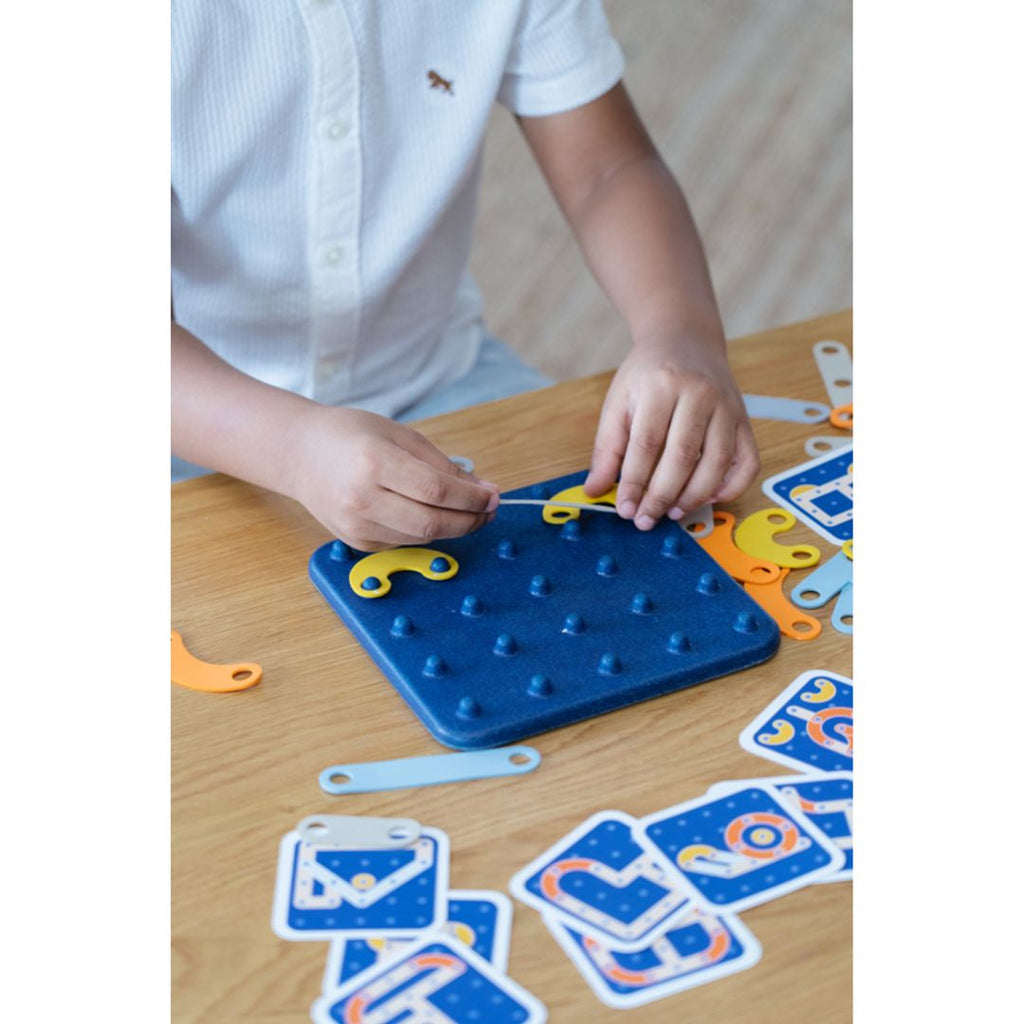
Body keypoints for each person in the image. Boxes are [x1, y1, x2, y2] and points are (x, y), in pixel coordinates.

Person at [171, 0, 760, 552]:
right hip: (188, 427)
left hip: (440, 378)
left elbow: (609, 170)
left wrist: (681, 335)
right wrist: (295, 449)